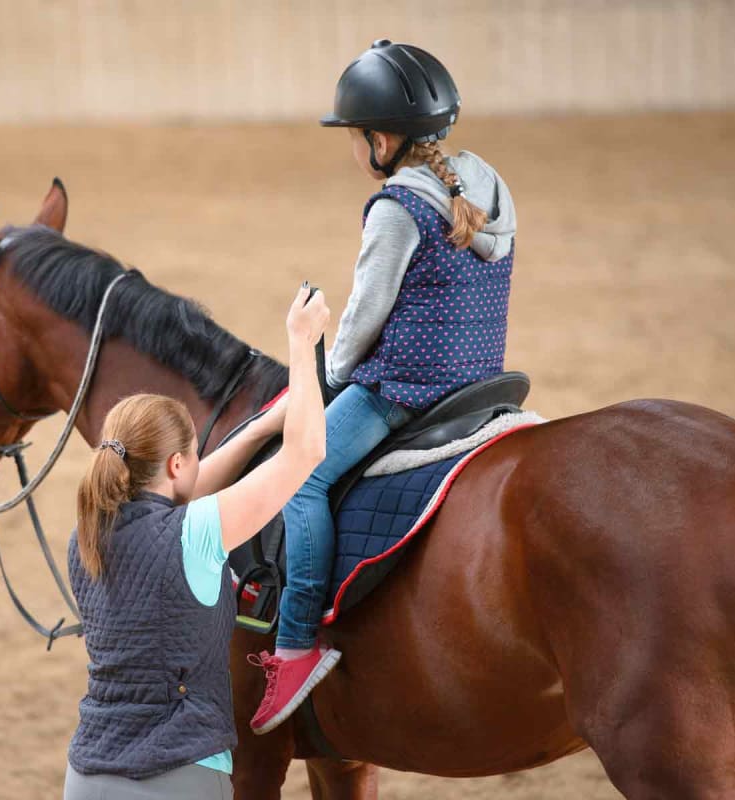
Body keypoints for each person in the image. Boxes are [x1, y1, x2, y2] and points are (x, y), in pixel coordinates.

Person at [247, 40, 518, 735]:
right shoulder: (487, 185)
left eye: (356, 138)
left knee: (301, 475)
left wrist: (323, 378)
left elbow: (363, 318)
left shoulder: (396, 208)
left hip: (406, 388)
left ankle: (297, 642)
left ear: (380, 139)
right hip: (481, 381)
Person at [63, 284, 329, 800]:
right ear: (176, 465)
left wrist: (255, 431)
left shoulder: (86, 535)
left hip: (87, 777)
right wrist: (302, 343)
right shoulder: (196, 533)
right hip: (180, 776)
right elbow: (306, 453)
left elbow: (177, 497)